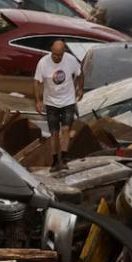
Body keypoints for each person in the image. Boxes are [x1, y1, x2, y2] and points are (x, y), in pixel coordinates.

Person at [34, 40, 83, 172]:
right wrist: (38, 100)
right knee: (54, 133)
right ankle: (55, 160)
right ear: (51, 50)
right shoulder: (43, 63)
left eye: (59, 55)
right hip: (51, 102)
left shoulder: (71, 60)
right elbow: (37, 82)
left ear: (64, 53)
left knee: (66, 129)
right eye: (54, 55)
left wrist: (80, 89)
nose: (57, 58)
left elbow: (79, 73)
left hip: (68, 101)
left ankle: (64, 158)